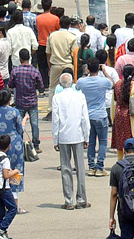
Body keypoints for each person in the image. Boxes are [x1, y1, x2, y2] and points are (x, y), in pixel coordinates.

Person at [51, 71, 90, 210]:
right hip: (78, 134)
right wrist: (87, 136)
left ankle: (68, 200)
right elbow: (85, 118)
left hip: (63, 136)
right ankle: (81, 199)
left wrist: (55, 139)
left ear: (61, 84)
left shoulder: (57, 97)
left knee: (66, 169)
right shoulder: (80, 96)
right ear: (72, 82)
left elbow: (56, 120)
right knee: (80, 168)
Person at [77, 58, 114, 176]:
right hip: (100, 115)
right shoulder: (103, 81)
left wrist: (85, 73)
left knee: (91, 142)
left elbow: (77, 86)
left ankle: (91, 166)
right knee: (103, 142)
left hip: (87, 116)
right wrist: (105, 71)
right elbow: (112, 84)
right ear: (98, 68)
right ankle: (100, 167)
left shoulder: (82, 81)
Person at [9, 48, 43, 160]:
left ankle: (19, 143)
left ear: (20, 58)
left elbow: (10, 84)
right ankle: (36, 144)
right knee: (35, 124)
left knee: (19, 124)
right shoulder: (35, 71)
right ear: (29, 58)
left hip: (20, 101)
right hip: (32, 101)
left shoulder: (16, 71)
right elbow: (41, 86)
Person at [112, 64, 134, 160]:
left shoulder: (117, 85)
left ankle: (120, 161)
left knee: (120, 140)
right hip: (131, 116)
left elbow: (115, 98)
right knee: (133, 139)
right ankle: (133, 160)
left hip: (119, 115)